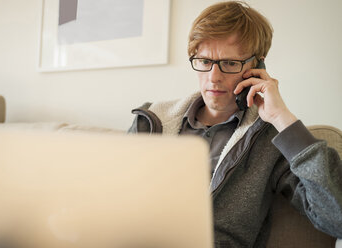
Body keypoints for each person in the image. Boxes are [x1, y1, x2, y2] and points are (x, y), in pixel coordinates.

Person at [128, 1, 342, 247]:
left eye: (229, 63)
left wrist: (281, 117)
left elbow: (336, 218)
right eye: (205, 61)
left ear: (256, 66)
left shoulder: (271, 140)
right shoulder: (151, 120)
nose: (213, 77)